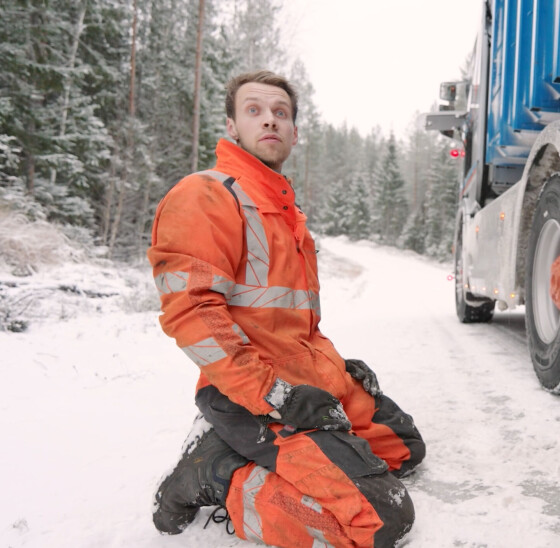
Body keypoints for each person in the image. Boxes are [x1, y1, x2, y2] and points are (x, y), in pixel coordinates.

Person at [147, 70, 425, 548]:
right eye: (254, 110)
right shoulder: (206, 194)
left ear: (295, 131)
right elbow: (194, 314)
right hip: (248, 392)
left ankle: (272, 450)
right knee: (382, 519)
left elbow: (294, 326)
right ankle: (215, 471)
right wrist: (274, 394)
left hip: (303, 381)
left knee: (403, 448)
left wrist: (339, 371)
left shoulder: (287, 215)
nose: (270, 121)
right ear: (231, 126)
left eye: (281, 113)